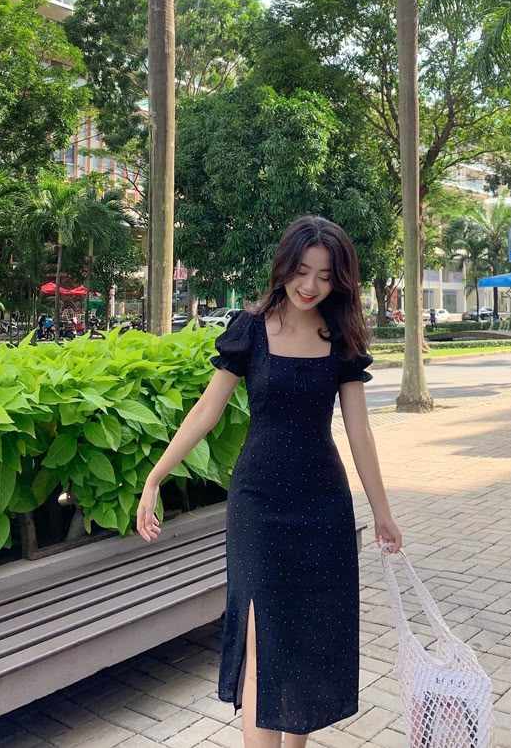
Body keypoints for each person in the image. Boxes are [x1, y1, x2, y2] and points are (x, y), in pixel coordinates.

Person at [135, 215, 402, 743]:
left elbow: (360, 432)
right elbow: (206, 410)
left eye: (324, 276)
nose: (310, 286)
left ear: (339, 281)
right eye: (302, 271)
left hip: (322, 503)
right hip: (258, 502)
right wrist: (155, 478)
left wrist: (382, 512)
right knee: (263, 639)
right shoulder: (250, 330)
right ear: (284, 267)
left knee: (304, 641)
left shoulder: (341, 339)